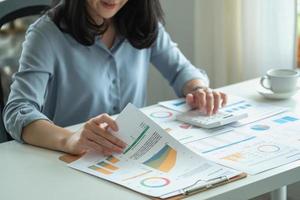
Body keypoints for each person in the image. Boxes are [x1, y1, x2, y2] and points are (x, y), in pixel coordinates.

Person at [3, 0, 227, 156]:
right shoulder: (46, 34)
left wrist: (198, 89)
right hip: (70, 162)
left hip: (131, 156)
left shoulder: (141, 22)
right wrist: (70, 139)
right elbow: (18, 110)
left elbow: (181, 72)